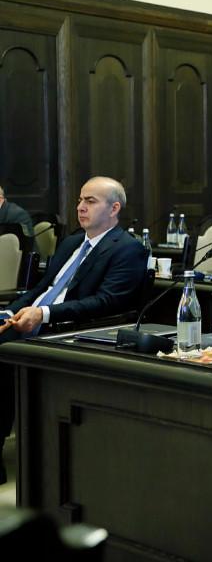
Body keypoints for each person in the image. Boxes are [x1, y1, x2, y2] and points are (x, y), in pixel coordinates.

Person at [0, 176, 148, 483]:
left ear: (114, 209)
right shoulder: (71, 243)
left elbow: (106, 302)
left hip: (65, 331)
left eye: (90, 201)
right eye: (80, 200)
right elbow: (42, 288)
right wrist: (10, 311)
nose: (80, 207)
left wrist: (44, 314)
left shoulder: (128, 249)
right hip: (29, 322)